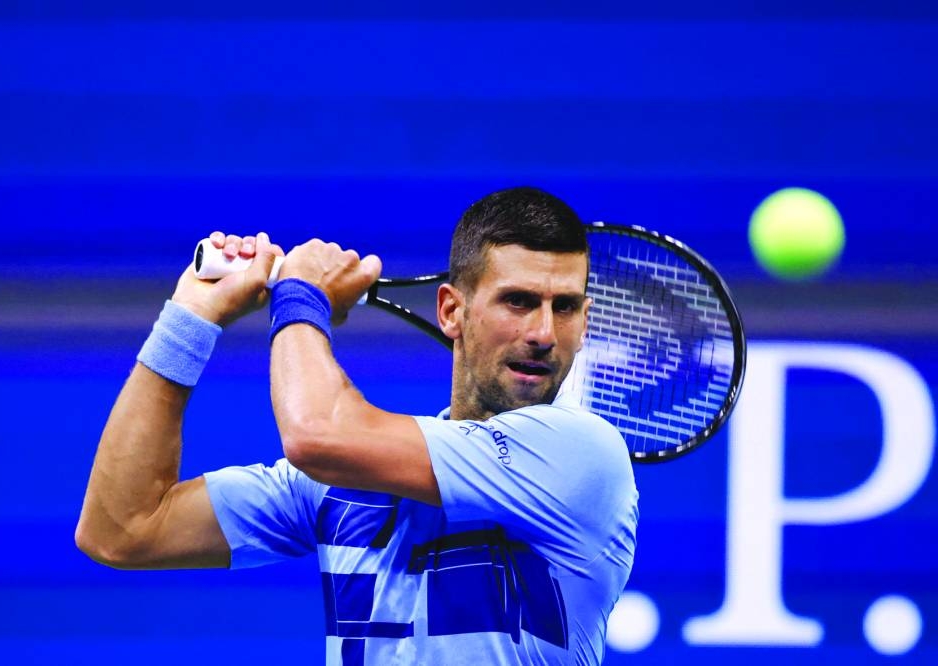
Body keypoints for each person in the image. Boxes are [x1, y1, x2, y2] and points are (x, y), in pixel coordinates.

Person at [76, 187, 639, 665]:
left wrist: (301, 297)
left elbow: (314, 435)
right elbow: (122, 528)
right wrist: (189, 319)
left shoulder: (584, 455)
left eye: (564, 307)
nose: (543, 332)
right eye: (518, 301)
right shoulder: (346, 481)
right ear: (451, 311)